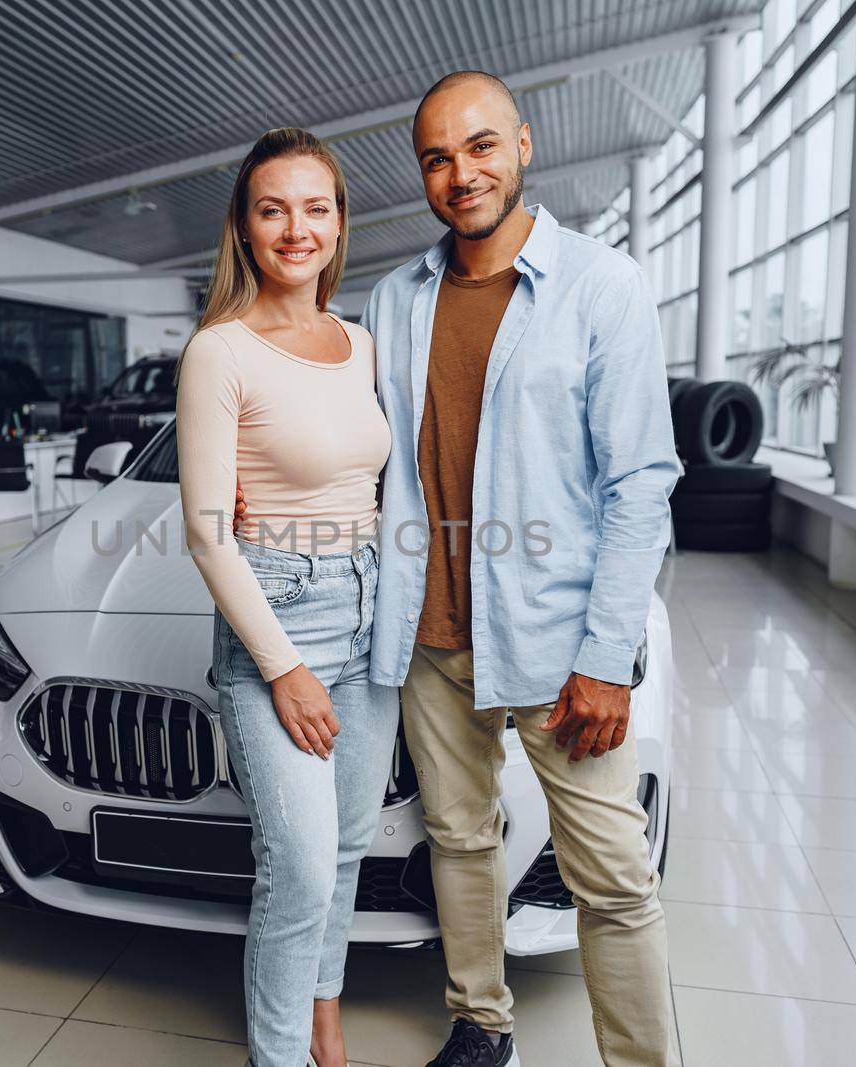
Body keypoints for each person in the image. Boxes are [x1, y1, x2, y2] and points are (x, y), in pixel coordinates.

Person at [363, 72, 682, 1067]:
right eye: (436, 157)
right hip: (429, 633)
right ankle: (479, 1020)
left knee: (615, 878)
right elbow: (371, 456)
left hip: (558, 644)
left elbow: (640, 481)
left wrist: (605, 655)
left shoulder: (601, 283)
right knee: (458, 838)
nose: (461, 174)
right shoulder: (395, 298)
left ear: (524, 146)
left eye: (481, 147)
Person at [176, 127, 398, 1067]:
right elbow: (205, 529)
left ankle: (323, 1015)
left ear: (340, 222)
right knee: (299, 865)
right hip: (280, 612)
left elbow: (374, 481)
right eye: (273, 209)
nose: (296, 229)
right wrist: (284, 666)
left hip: (367, 601)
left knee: (345, 845)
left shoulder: (362, 344)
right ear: (244, 226)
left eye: (316, 207)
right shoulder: (219, 352)